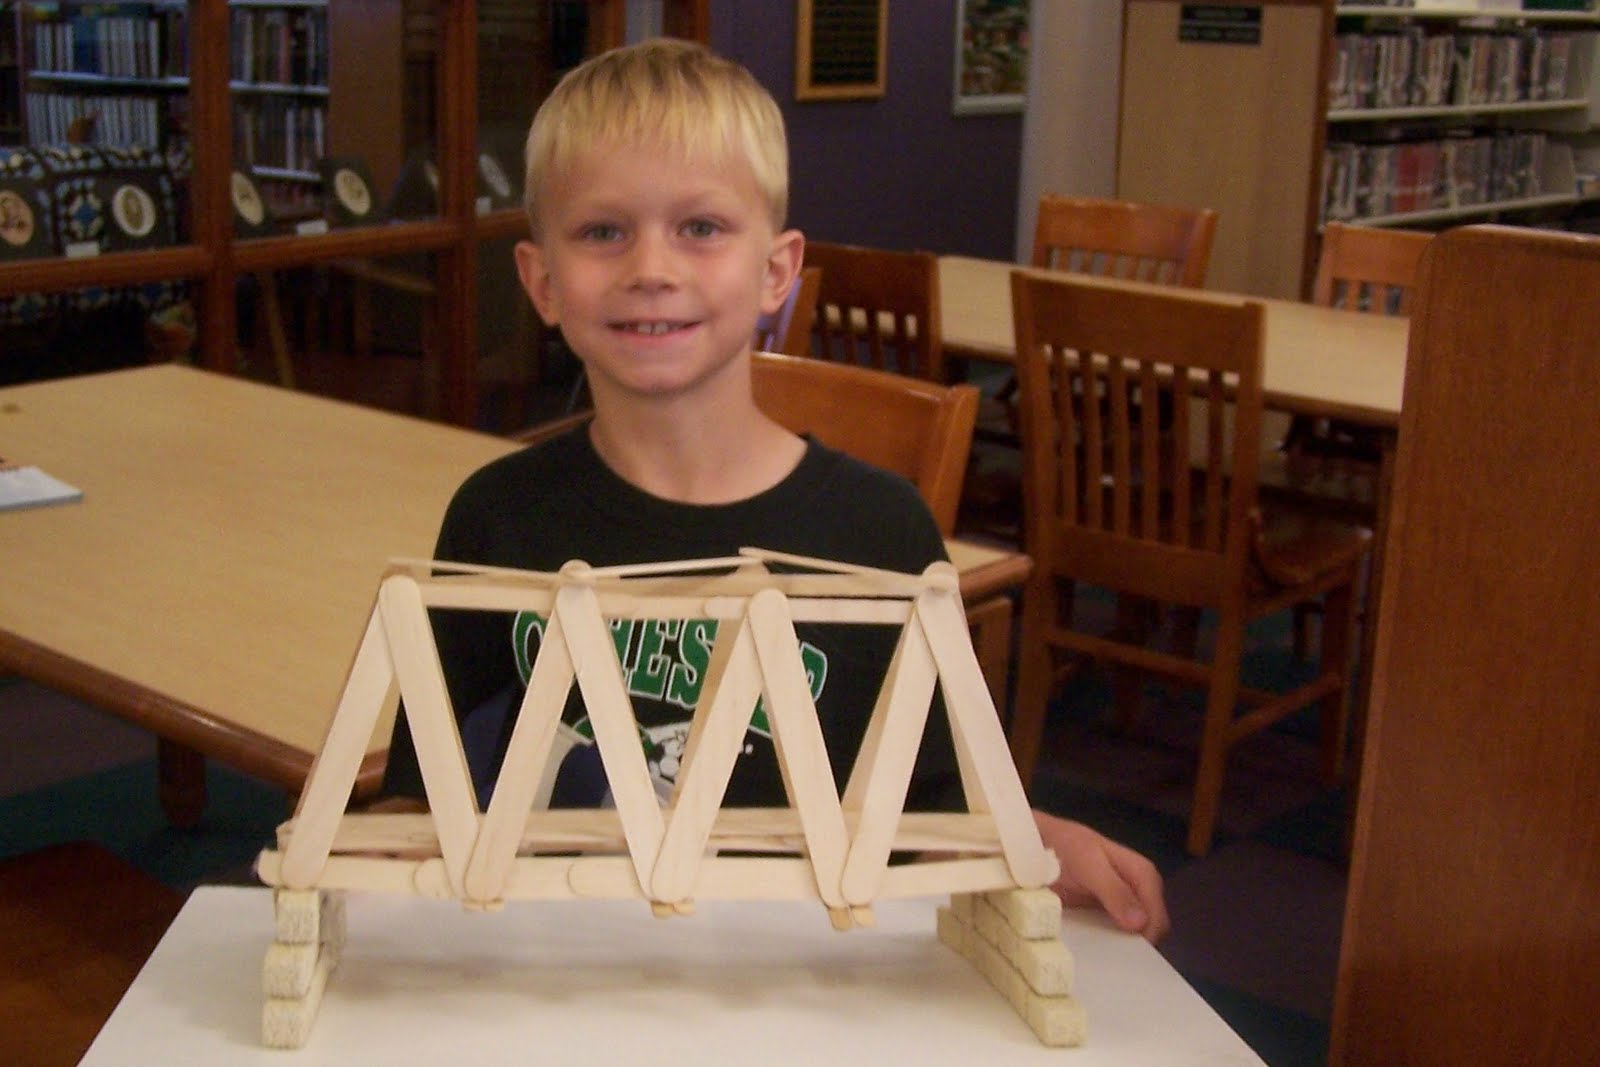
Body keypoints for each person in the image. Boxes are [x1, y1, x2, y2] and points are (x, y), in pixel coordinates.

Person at [379, 38, 1167, 942]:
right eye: (604, 231)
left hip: (791, 988)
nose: (652, 268)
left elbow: (929, 811)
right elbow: (427, 788)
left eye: (701, 228)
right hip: (558, 973)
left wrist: (1037, 836)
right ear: (543, 282)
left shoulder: (881, 531)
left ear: (776, 272)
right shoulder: (494, 517)